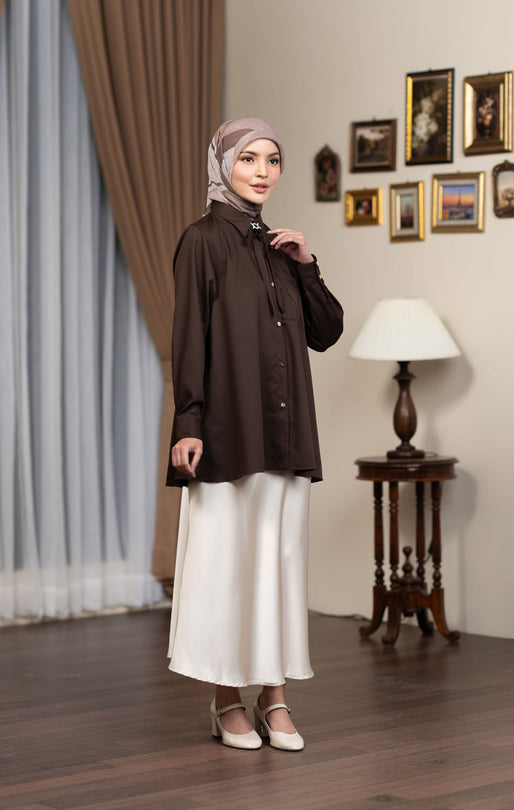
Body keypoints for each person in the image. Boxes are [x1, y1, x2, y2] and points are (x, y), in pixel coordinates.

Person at [166, 117, 343, 751]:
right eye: (248, 159)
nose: (262, 171)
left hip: (286, 434)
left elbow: (326, 332)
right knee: (228, 569)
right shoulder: (202, 241)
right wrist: (188, 423)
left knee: (278, 567)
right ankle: (225, 700)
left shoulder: (280, 248)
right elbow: (190, 337)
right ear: (223, 165)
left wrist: (306, 264)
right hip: (227, 433)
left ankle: (275, 696)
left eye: (272, 159)